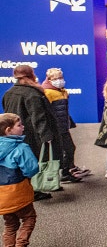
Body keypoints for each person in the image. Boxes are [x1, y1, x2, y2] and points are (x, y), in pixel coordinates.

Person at [2, 65, 62, 201]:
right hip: (33, 135)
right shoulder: (33, 93)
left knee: (17, 163)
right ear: (32, 75)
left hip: (14, 134)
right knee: (34, 162)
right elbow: (39, 117)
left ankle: (24, 189)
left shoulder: (9, 93)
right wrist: (47, 136)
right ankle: (35, 189)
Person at [42, 68, 90, 184]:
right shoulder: (47, 92)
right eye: (55, 78)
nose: (59, 80)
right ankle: (65, 173)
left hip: (63, 126)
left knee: (68, 149)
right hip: (56, 128)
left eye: (60, 78)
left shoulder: (62, 91)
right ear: (49, 79)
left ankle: (67, 170)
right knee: (66, 149)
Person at [0, 113, 39, 247]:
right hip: (18, 192)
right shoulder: (21, 148)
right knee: (29, 218)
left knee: (10, 224)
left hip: (2, 197)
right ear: (8, 130)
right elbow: (31, 169)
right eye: (19, 125)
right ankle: (21, 244)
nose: (23, 127)